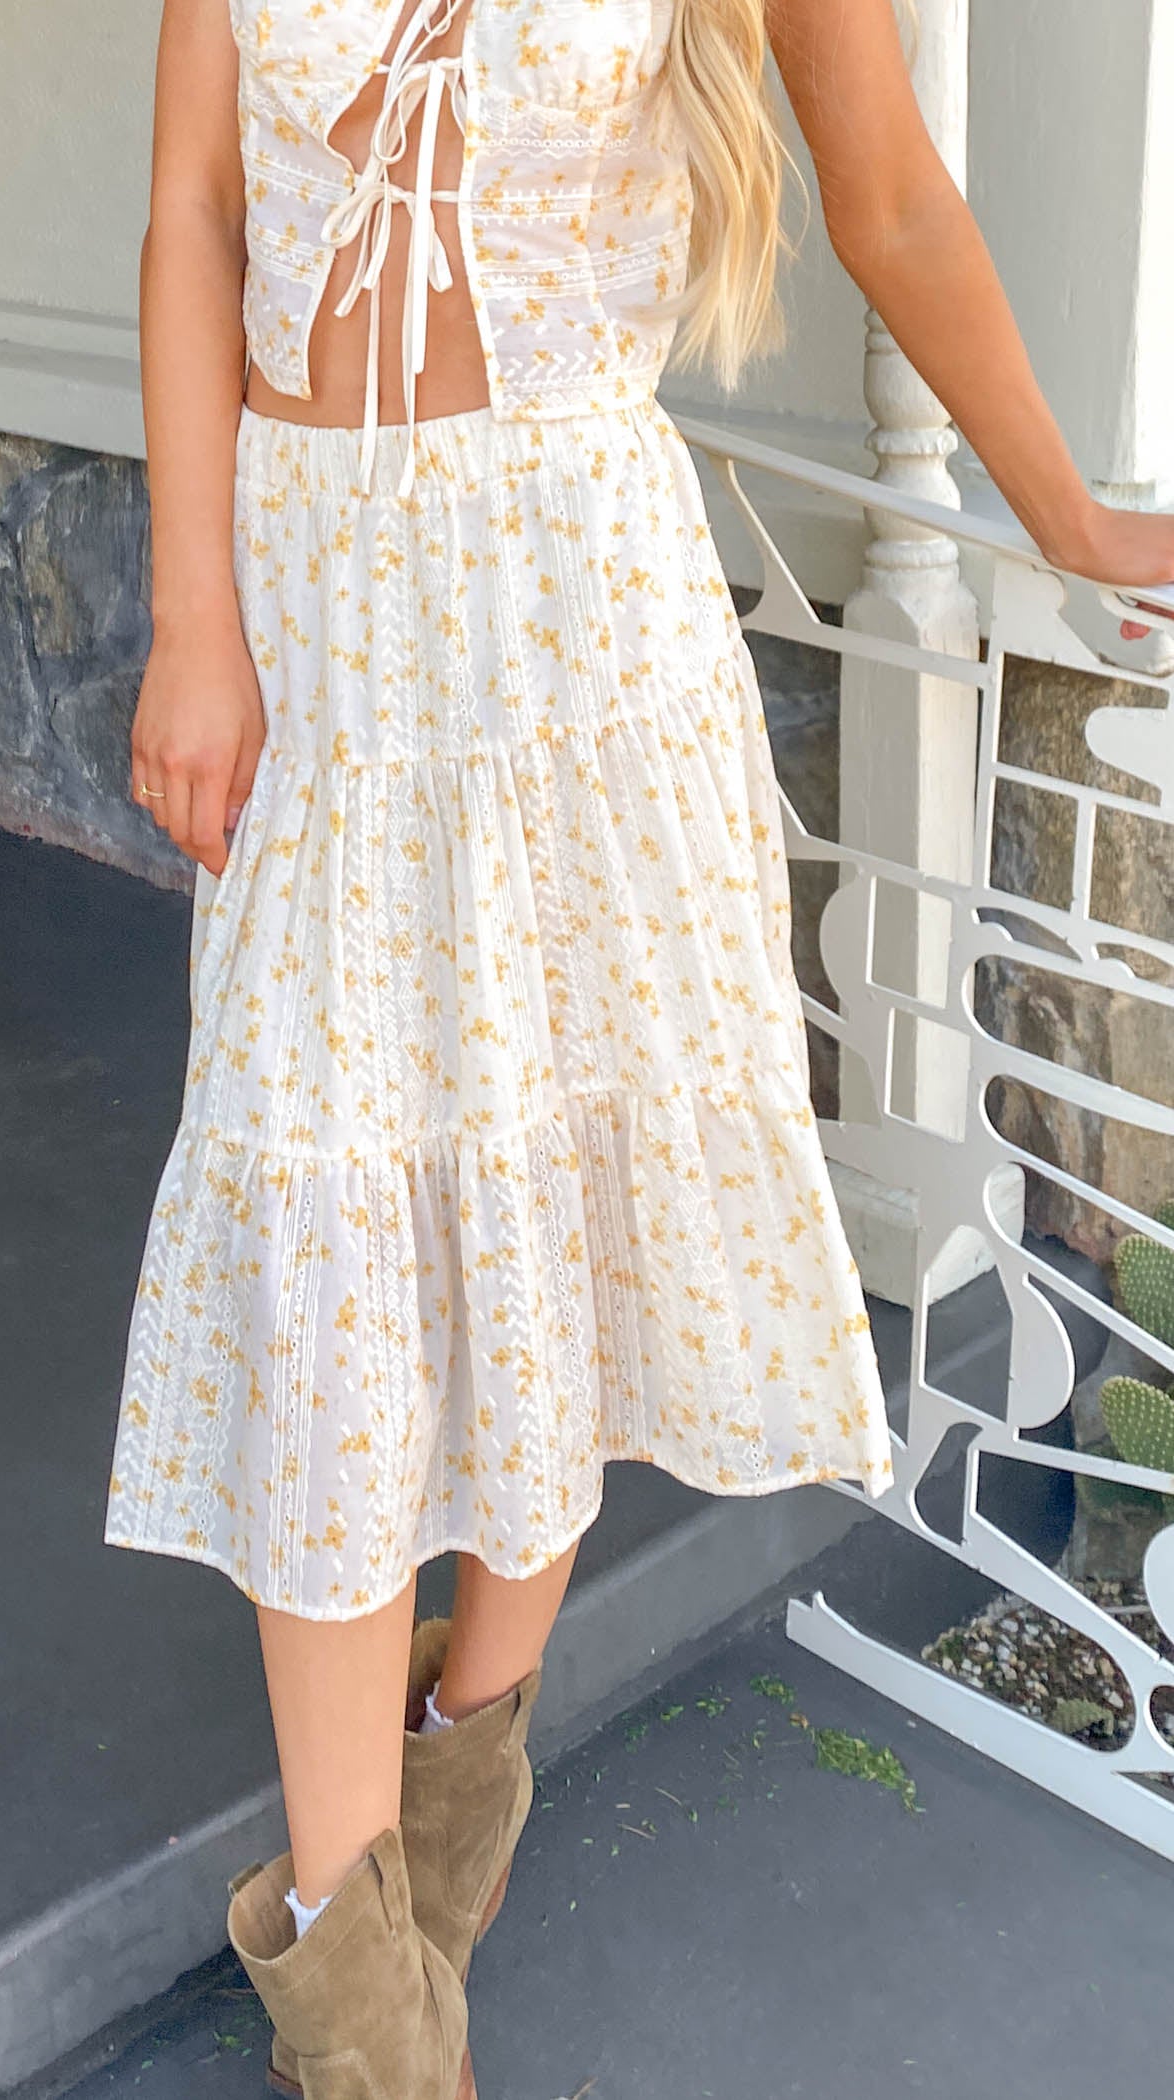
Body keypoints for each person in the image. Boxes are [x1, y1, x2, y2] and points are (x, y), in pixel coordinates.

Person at [103, 1, 1174, 2092]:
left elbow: (886, 196)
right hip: (317, 616)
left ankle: (446, 1823)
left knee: (566, 1228)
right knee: (322, 1246)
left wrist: (1063, 506)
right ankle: (364, 2009)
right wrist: (194, 614)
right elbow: (190, 213)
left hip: (585, 624)